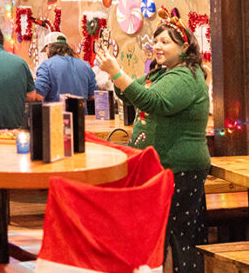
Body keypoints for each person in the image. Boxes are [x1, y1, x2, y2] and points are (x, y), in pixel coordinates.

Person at [101, 19, 210, 273]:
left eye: (165, 42)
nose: (157, 46)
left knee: (176, 236)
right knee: (158, 235)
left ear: (184, 47)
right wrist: (115, 75)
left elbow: (154, 102)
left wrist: (118, 73)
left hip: (178, 168)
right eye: (156, 41)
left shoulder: (186, 75)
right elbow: (129, 92)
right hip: (160, 167)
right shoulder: (162, 72)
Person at [34, 31, 96, 102]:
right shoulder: (85, 65)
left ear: (49, 46)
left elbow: (38, 96)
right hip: (81, 112)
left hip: (55, 112)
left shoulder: (46, 66)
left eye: (46, 50)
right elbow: (94, 95)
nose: (47, 53)